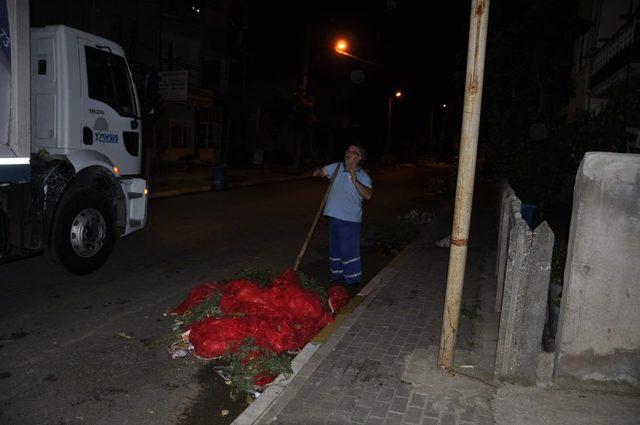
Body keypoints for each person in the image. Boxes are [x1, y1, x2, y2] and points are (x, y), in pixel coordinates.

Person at [313, 144, 372, 296]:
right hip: (334, 216)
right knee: (335, 248)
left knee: (349, 250)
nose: (348, 153)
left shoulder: (364, 176)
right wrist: (319, 172)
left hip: (350, 219)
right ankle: (337, 275)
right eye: (347, 151)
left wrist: (355, 179)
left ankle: (353, 280)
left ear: (359, 157)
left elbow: (368, 195)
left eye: (352, 152)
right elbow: (323, 171)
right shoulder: (337, 167)